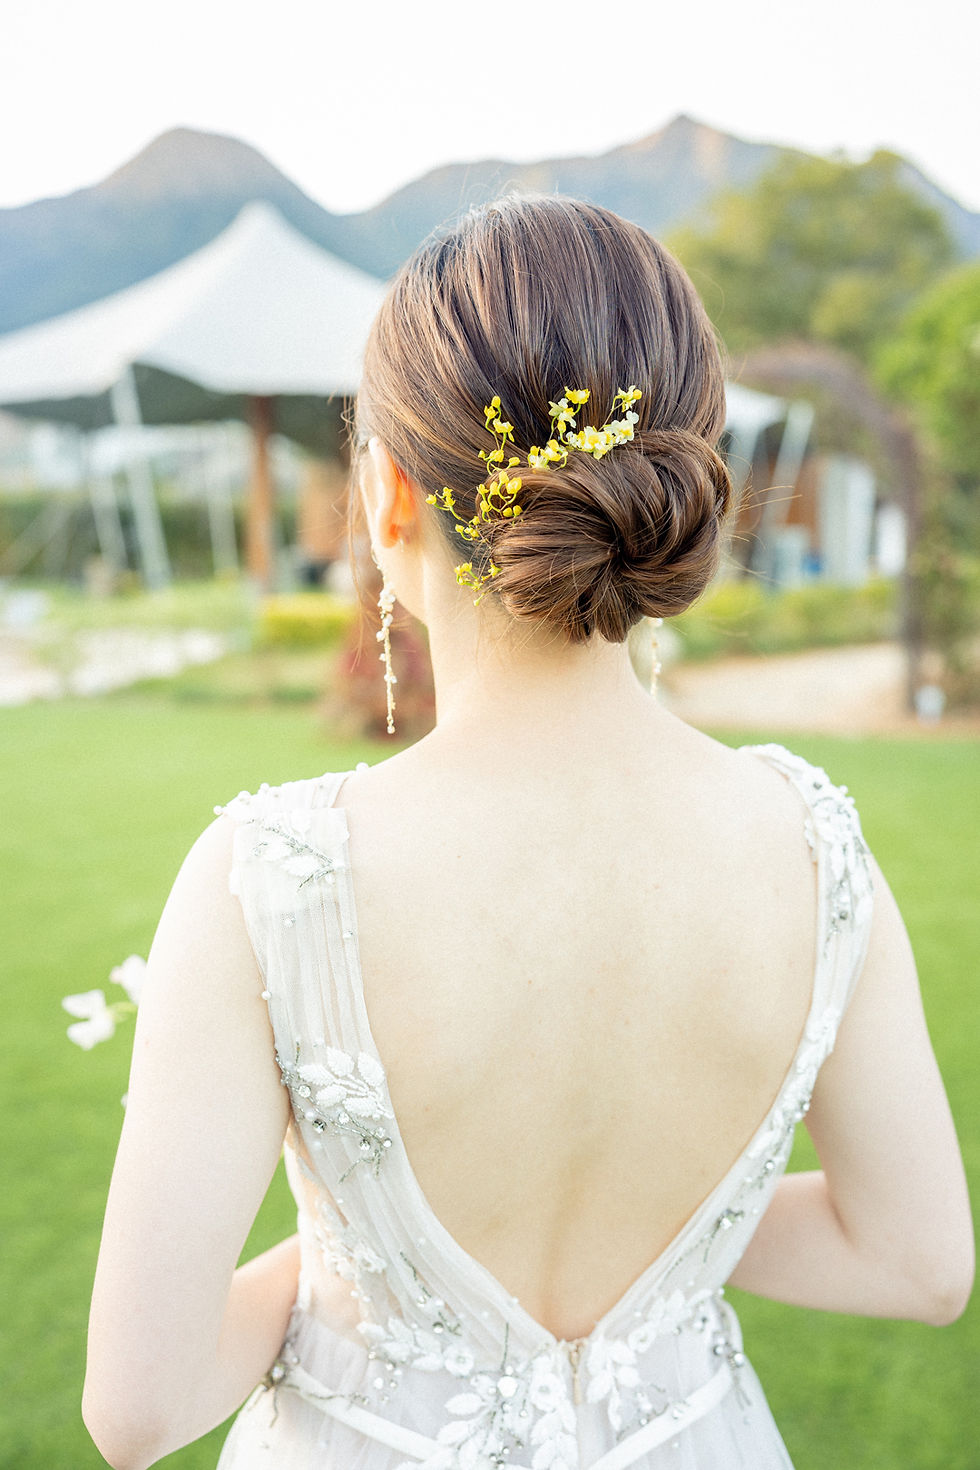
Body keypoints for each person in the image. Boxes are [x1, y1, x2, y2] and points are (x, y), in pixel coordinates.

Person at [82, 196, 973, 1470]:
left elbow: (140, 1409)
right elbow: (917, 1263)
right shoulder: (816, 850)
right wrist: (686, 1233)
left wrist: (350, 1255)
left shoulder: (271, 881)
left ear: (386, 493)